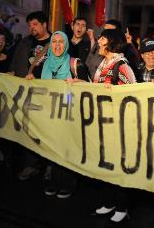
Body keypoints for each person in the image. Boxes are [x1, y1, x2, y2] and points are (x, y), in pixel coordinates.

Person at [26, 31, 89, 199]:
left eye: (61, 42)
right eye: (54, 42)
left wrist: (78, 82)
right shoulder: (44, 64)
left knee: (67, 150)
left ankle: (69, 183)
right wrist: (30, 77)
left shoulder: (75, 63)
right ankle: (54, 181)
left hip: (70, 115)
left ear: (66, 44)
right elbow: (35, 82)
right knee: (53, 149)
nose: (57, 45)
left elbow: (90, 87)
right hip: (50, 115)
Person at [91, 29, 136, 223]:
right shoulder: (102, 65)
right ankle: (108, 201)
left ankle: (122, 206)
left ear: (110, 42)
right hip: (102, 124)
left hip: (119, 126)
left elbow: (135, 93)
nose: (98, 42)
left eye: (101, 38)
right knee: (105, 164)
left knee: (118, 166)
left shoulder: (121, 65)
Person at [8, 11, 51, 180]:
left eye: (34, 24)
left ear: (44, 24)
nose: (31, 28)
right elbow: (15, 64)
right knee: (29, 129)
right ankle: (30, 164)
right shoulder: (25, 43)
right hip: (28, 94)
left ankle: (49, 165)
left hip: (48, 95)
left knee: (48, 131)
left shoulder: (56, 41)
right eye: (29, 25)